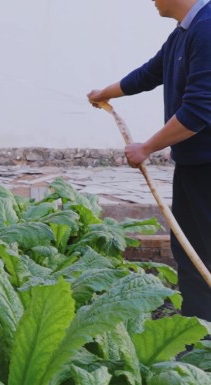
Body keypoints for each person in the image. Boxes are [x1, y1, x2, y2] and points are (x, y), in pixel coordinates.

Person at [88, 0, 211, 322]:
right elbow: (150, 73)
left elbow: (198, 112)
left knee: (203, 252)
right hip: (193, 164)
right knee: (189, 249)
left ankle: (203, 335)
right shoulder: (183, 34)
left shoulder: (208, 29)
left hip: (207, 167)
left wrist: (147, 147)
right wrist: (105, 93)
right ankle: (196, 331)